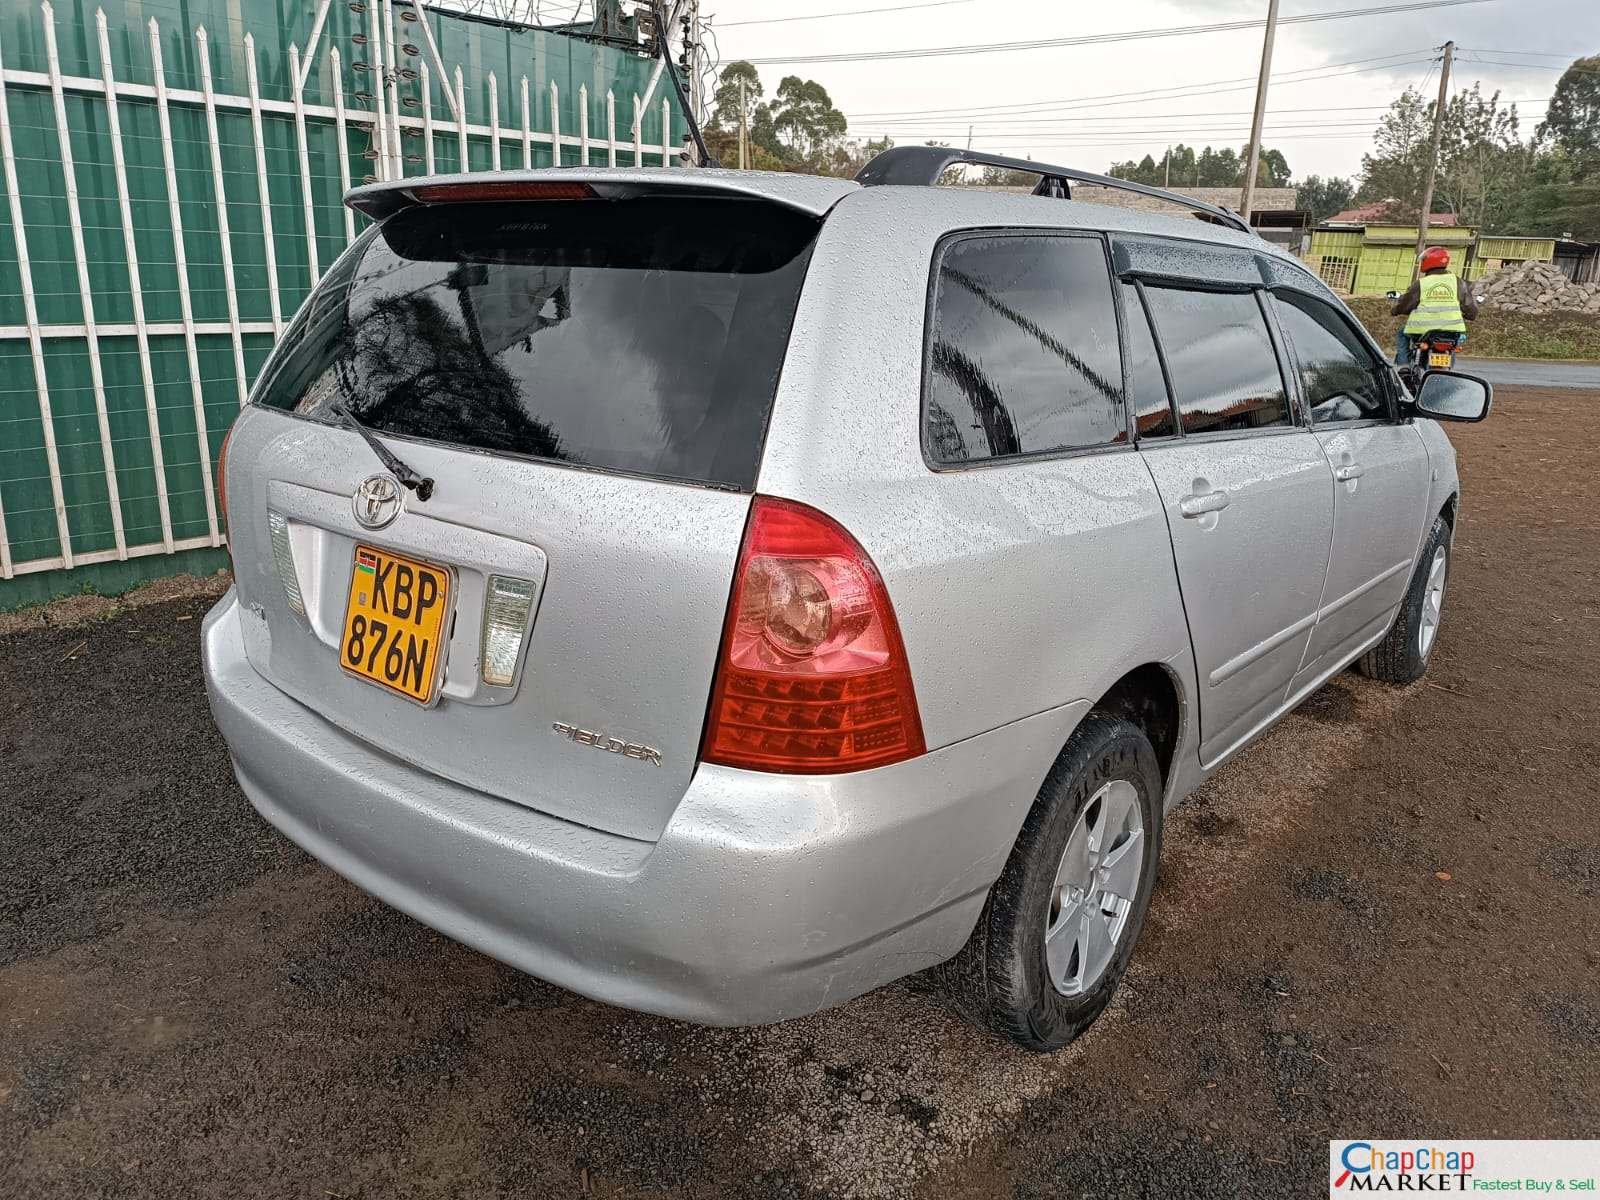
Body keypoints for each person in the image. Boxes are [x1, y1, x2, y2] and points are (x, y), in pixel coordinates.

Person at [1391, 246, 1478, 364]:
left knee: (1402, 333)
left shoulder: (1421, 283)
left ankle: (1404, 366)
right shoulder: (1458, 282)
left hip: (1422, 330)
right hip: (1452, 331)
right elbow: (1470, 309)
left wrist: (1395, 310)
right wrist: (1470, 315)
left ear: (1428, 261)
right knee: (1452, 347)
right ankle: (1448, 371)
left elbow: (1406, 305)